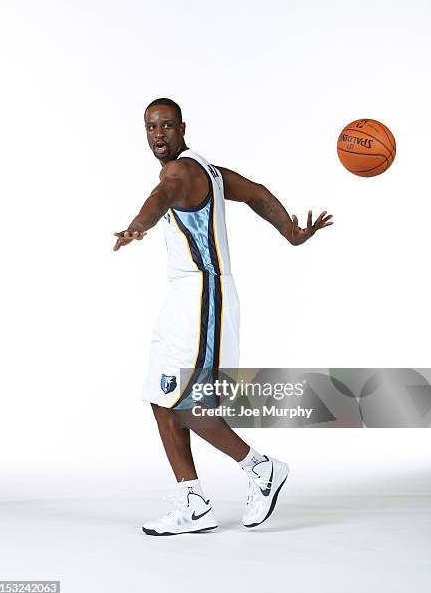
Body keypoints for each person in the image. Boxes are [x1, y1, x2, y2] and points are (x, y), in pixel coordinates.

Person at [113, 98, 333, 536]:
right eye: (151, 127)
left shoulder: (180, 172)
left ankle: (263, 468)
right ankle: (193, 502)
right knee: (162, 398)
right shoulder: (209, 170)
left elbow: (161, 198)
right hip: (183, 298)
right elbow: (254, 192)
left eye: (166, 126)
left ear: (182, 127)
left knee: (191, 405)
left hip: (202, 295)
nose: (158, 135)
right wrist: (290, 232)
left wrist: (140, 224)